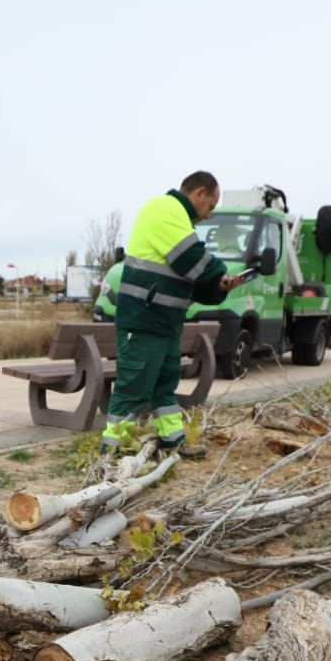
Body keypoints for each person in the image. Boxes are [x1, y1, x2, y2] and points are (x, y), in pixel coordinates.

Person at [104, 171, 241, 459]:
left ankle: (172, 442)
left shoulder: (178, 219)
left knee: (165, 386)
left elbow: (191, 280)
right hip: (144, 319)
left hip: (163, 322)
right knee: (133, 386)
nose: (208, 216)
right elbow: (191, 258)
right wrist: (219, 274)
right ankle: (113, 450)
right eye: (211, 206)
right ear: (200, 193)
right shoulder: (165, 208)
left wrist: (220, 286)